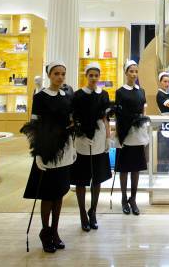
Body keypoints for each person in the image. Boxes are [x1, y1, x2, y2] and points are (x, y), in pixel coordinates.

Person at [22, 62, 76, 253]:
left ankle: (55, 231)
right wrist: (37, 152)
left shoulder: (67, 96)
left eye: (63, 74)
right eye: (56, 74)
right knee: (48, 194)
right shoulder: (40, 97)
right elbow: (34, 126)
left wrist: (72, 145)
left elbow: (70, 122)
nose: (60, 77)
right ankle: (45, 232)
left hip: (64, 148)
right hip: (47, 148)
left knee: (60, 192)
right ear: (49, 75)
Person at [71, 62, 112, 232]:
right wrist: (77, 136)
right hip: (82, 138)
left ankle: (93, 211)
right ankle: (82, 213)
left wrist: (108, 138)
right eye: (91, 75)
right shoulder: (78, 95)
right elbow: (73, 118)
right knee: (81, 179)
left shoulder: (104, 94)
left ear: (99, 77)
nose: (94, 78)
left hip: (99, 137)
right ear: (86, 76)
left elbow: (106, 118)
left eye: (96, 75)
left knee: (97, 178)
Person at [114, 60, 149, 216]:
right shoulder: (120, 91)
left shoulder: (141, 91)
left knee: (136, 168)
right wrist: (119, 133)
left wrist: (144, 125)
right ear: (126, 72)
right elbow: (118, 113)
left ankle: (132, 199)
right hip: (125, 133)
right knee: (124, 168)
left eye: (136, 71)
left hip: (138, 133)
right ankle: (123, 198)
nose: (134, 74)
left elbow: (143, 111)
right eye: (131, 71)